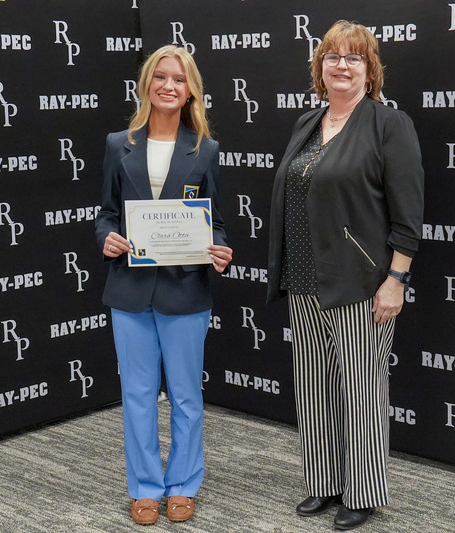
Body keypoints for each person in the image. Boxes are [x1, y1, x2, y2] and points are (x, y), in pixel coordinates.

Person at [267, 20, 424, 531]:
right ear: (319, 67)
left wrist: (396, 279)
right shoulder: (307, 123)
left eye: (353, 57)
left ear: (369, 70)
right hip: (303, 280)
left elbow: (407, 212)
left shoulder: (387, 124)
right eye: (332, 56)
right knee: (314, 387)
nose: (341, 64)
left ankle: (361, 490)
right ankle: (325, 481)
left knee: (361, 389)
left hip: (362, 284)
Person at [95, 44, 233, 526]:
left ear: (191, 89)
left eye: (179, 79)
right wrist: (107, 238)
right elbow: (106, 212)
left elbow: (213, 220)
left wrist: (218, 249)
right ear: (147, 84)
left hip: (186, 291)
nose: (169, 86)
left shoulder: (206, 148)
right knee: (136, 395)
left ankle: (184, 485)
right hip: (129, 291)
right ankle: (145, 487)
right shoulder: (119, 143)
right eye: (161, 77)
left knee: (186, 396)